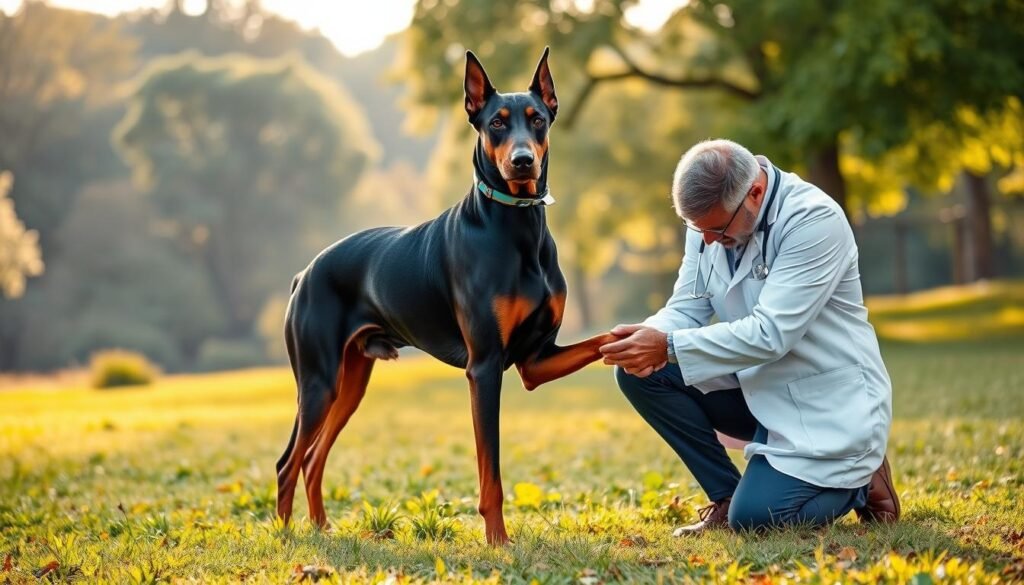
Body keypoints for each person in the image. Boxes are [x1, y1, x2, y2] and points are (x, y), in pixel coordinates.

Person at [600, 139, 899, 534]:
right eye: (697, 229)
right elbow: (688, 307)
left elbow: (771, 333)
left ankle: (860, 478)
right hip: (758, 387)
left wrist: (668, 346)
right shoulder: (711, 224)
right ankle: (726, 497)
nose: (706, 241)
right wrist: (651, 335)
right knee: (642, 373)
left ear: (754, 193)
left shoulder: (813, 220)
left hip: (826, 406)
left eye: (716, 229)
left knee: (755, 522)